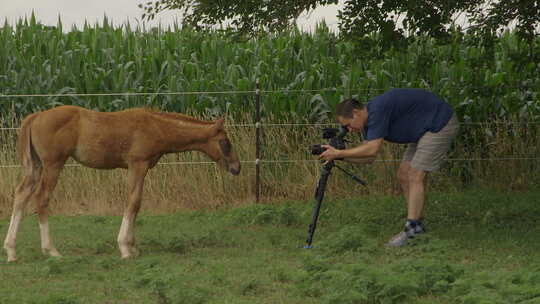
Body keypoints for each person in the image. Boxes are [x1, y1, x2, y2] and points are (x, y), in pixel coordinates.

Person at [319, 88, 459, 247]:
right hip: (423, 129)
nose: (349, 130)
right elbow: (369, 158)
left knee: (415, 175)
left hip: (439, 124)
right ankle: (417, 225)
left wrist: (339, 153)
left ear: (357, 113)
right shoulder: (368, 120)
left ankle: (412, 230)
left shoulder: (377, 111)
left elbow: (371, 149)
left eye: (348, 125)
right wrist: (340, 156)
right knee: (403, 174)